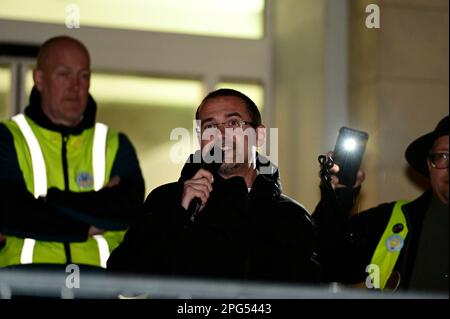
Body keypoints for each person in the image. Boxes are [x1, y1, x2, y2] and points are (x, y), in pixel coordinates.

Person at [107, 88, 321, 284]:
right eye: (210, 126)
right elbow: (123, 280)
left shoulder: (289, 216)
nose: (221, 136)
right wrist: (177, 215)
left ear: (260, 135)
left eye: (233, 123)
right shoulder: (166, 200)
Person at [0, 36, 145, 269]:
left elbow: (125, 209)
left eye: (83, 75)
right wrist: (87, 225)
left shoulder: (114, 143)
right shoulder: (8, 137)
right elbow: (11, 209)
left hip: (96, 288)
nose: (75, 86)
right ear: (39, 79)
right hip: (24, 285)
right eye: (64, 74)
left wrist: (50, 200)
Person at [313, 115, 448, 293]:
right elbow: (324, 263)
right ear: (429, 164)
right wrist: (338, 197)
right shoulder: (391, 222)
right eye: (444, 156)